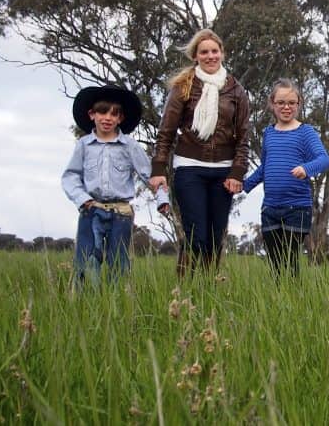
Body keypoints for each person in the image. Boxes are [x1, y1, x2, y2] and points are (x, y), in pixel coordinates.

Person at [149, 29, 250, 275]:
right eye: (204, 52)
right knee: (197, 235)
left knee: (215, 239)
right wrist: (159, 169)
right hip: (189, 167)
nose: (210, 56)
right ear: (196, 56)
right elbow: (167, 131)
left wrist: (237, 173)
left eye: (214, 51)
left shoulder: (236, 91)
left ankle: (208, 291)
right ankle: (184, 291)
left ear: (222, 54)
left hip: (223, 172)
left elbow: (244, 136)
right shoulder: (183, 87)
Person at [61, 85, 170, 286]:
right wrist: (83, 199)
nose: (107, 118)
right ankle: (88, 307)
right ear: (92, 114)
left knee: (119, 264)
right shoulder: (83, 145)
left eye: (114, 114)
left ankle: (117, 306)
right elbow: (70, 177)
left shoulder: (130, 145)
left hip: (121, 213)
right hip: (91, 210)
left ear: (120, 119)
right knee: (87, 261)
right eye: (102, 112)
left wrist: (162, 199)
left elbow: (151, 176)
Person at [243, 79, 329, 278]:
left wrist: (306, 168)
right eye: (281, 102)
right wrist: (245, 184)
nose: (286, 107)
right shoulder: (269, 133)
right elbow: (265, 167)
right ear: (272, 104)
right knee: (275, 264)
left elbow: (324, 159)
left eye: (292, 102)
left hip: (297, 208)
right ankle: (279, 302)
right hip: (270, 208)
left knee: (289, 261)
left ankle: (294, 301)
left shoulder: (305, 132)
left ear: (299, 104)